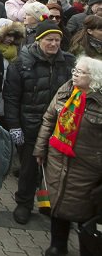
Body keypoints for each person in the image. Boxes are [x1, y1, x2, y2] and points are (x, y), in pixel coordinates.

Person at [4, 21, 75, 225]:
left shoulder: (68, 62)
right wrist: (14, 126)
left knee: (57, 169)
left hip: (60, 126)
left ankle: (50, 203)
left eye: (57, 40)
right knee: (28, 169)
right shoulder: (21, 63)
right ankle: (24, 203)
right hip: (30, 125)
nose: (53, 44)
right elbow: (11, 97)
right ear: (38, 40)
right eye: (49, 39)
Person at [34, 55, 102, 256]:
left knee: (86, 210)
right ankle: (58, 245)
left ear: (95, 77)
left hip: (88, 167)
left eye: (80, 72)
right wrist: (40, 148)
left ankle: (88, 247)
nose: (74, 75)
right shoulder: (65, 91)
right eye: (75, 71)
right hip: (57, 159)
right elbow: (49, 119)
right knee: (58, 203)